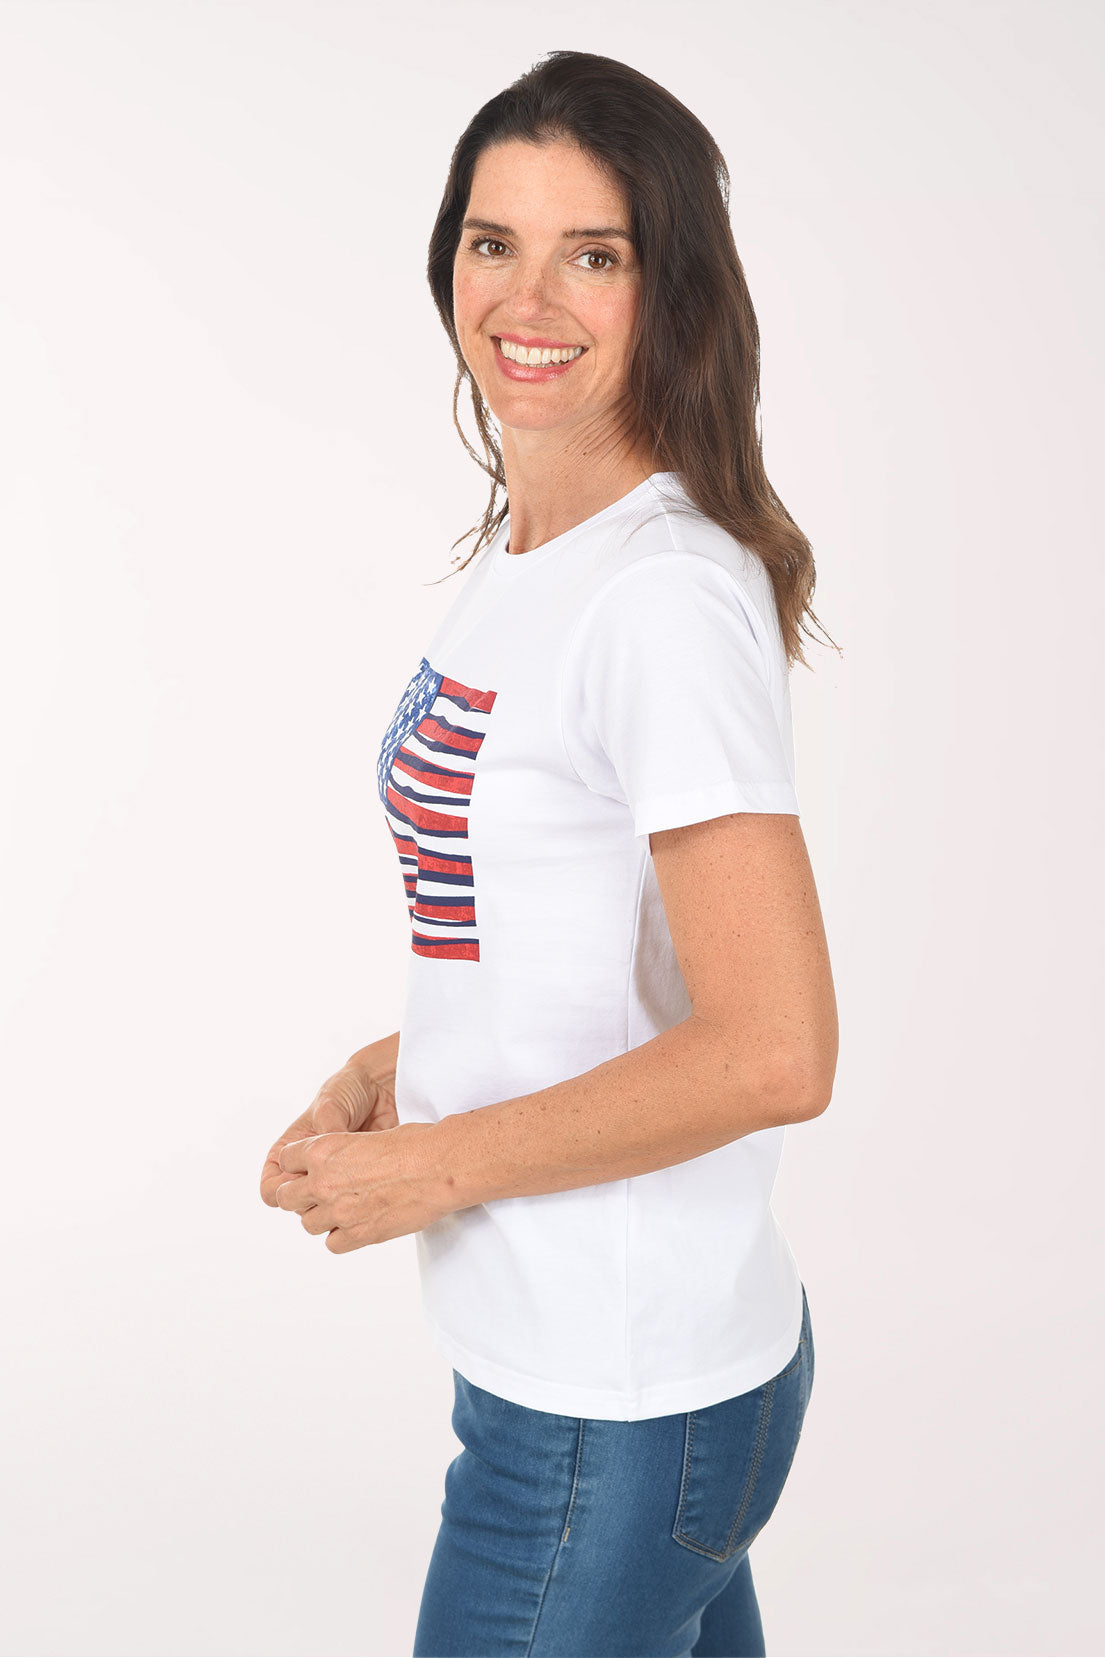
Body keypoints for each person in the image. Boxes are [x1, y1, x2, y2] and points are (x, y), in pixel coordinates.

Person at [260, 48, 840, 1658]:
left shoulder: (656, 595)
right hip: (590, 1371)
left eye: (595, 251)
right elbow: (568, 930)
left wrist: (427, 1170)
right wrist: (404, 1066)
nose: (531, 294)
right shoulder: (538, 551)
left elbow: (777, 1047)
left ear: (673, 287)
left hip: (615, 1405)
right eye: (491, 240)